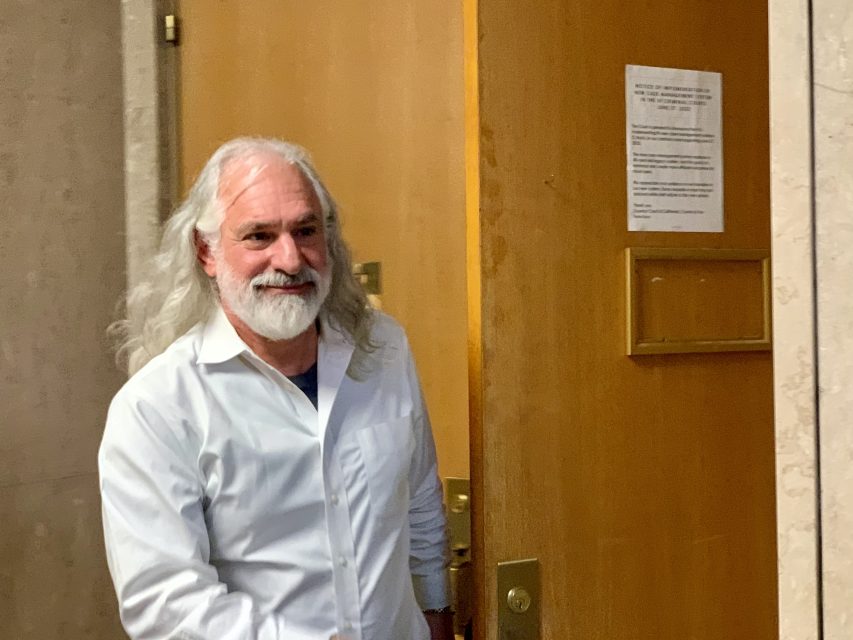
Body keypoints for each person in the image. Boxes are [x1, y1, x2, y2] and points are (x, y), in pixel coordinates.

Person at [99, 137, 454, 640]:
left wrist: (437, 612)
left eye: (305, 231)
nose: (289, 259)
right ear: (206, 251)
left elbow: (419, 502)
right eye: (259, 236)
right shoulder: (156, 408)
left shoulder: (384, 349)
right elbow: (167, 605)